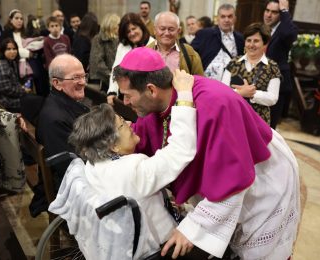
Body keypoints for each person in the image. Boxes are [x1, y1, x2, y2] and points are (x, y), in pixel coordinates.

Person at [113, 47, 300, 259]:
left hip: (263, 179)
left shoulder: (214, 103)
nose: (125, 103)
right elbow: (143, 139)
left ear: (151, 90)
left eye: (128, 96)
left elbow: (232, 180)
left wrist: (194, 227)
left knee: (258, 251)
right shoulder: (154, 105)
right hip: (236, 178)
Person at [50, 68, 198, 259]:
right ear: (113, 145)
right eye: (122, 123)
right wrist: (185, 95)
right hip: (157, 248)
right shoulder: (133, 168)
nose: (130, 123)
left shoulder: (92, 165)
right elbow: (180, 151)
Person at [36, 54, 90, 191]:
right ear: (57, 83)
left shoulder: (64, 104)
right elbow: (71, 168)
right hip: (70, 189)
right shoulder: (55, 119)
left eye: (84, 76)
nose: (83, 82)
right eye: (76, 77)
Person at [222, 23, 281, 124]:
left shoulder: (272, 67)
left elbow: (273, 98)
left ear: (265, 43)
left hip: (258, 121)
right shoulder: (233, 63)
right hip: (232, 118)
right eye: (248, 40)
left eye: (256, 41)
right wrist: (240, 93)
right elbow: (222, 91)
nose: (251, 45)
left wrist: (253, 94)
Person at [263, 0, 298, 129]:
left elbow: (288, 34)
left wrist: (284, 11)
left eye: (274, 12)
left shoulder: (287, 30)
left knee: (269, 129)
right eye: (267, 11)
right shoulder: (261, 29)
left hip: (276, 85)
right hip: (258, 85)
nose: (269, 15)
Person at [106, 12, 154, 103]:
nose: (132, 33)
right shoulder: (123, 46)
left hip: (147, 98)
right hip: (125, 97)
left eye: (134, 28)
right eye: (128, 31)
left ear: (141, 27)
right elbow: (116, 70)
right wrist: (112, 91)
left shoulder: (153, 44)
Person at [192, 4, 244, 81]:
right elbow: (190, 55)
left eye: (230, 16)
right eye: (223, 16)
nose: (226, 20)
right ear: (217, 19)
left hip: (230, 84)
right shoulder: (205, 34)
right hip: (206, 82)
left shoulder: (240, 38)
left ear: (235, 19)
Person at [148, 11, 203, 76]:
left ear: (178, 31)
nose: (166, 33)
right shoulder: (146, 52)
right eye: (162, 29)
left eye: (171, 29)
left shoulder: (189, 53)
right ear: (154, 30)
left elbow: (200, 82)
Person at [0, 38, 28, 112]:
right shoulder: (1, 64)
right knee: (35, 102)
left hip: (10, 98)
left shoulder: (13, 62)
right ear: (3, 51)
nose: (12, 51)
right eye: (8, 49)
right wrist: (23, 91)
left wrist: (22, 88)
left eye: (14, 48)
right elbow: (6, 89)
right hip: (1, 102)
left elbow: (15, 83)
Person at [89, 13, 120, 93]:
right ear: (111, 25)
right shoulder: (99, 39)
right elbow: (97, 61)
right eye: (118, 25)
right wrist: (111, 75)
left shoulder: (120, 40)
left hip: (117, 80)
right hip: (102, 80)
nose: (120, 27)